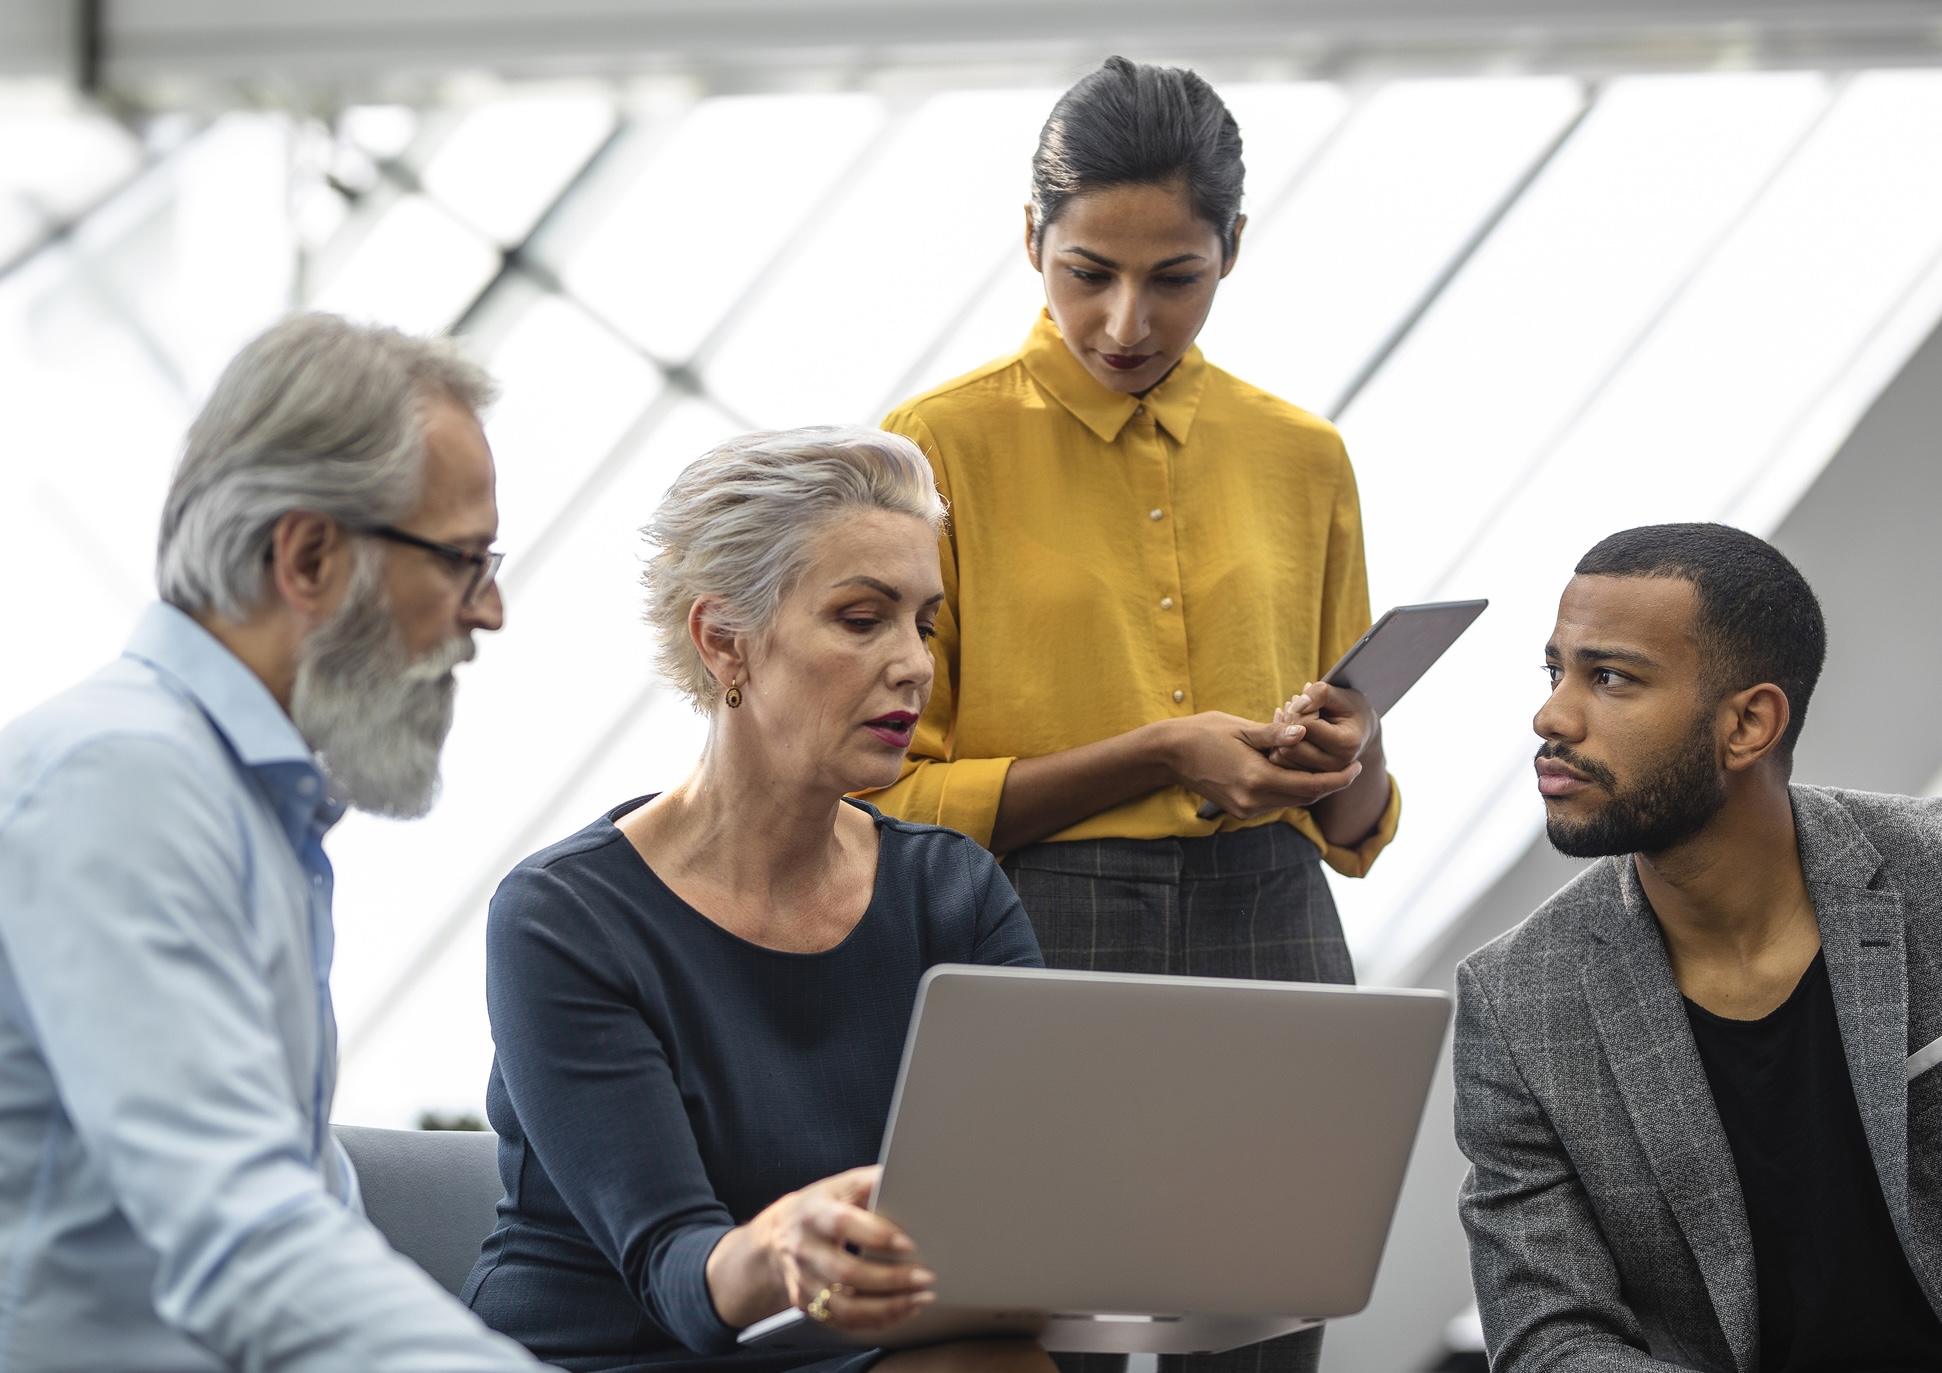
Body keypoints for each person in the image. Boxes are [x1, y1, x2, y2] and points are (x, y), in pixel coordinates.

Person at [870, 59, 1398, 1373]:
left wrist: (1348, 756)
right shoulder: (927, 451)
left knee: (1272, 1334)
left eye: (1175, 277)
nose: (1122, 320)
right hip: (1039, 924)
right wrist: (1158, 749)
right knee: (1054, 1341)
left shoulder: (1302, 458)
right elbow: (885, 790)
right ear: (1029, 240)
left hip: (1277, 915)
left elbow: (1355, 810)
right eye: (1084, 269)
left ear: (1233, 249)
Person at [0, 314, 537, 1369]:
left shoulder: (244, 799)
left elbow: (298, 1203)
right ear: (308, 555)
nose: (492, 609)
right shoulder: (121, 781)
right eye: (463, 559)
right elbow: (240, 1233)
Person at [463, 427, 1052, 1373]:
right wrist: (783, 1247)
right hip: (612, 1351)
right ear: (724, 642)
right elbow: (672, 1265)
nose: (914, 664)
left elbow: (1032, 1194)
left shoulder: (953, 892)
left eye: (924, 623)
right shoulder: (564, 918)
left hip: (846, 1342)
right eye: (864, 619)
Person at [1455, 523, 1942, 1372]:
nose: (1550, 715)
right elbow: (1549, 1337)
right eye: (1555, 670)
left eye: (1609, 677)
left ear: (1749, 722)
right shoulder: (1518, 1001)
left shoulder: (1930, 879)